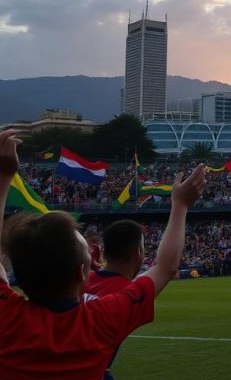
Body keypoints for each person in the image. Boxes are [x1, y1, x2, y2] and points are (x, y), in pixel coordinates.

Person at [0, 129, 207, 380]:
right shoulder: (101, 319)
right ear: (81, 273)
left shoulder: (7, 316)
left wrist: (3, 176)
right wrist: (180, 205)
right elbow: (166, 267)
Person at [85, 220, 146, 380]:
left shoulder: (77, 284)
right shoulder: (129, 293)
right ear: (138, 252)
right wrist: (180, 205)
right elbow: (167, 267)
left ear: (103, 251)